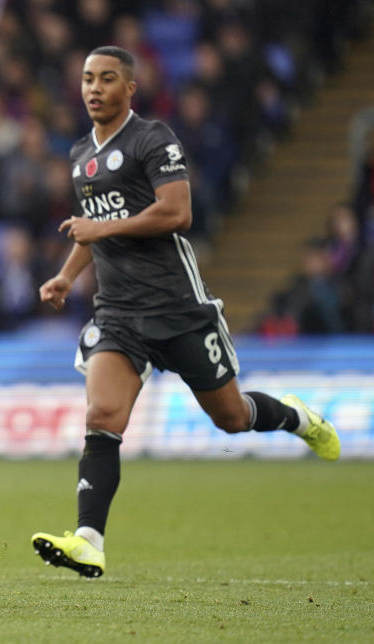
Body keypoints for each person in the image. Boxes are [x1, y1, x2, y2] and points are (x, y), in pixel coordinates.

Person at [30, 46, 340, 579]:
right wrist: (67, 273)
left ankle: (295, 416)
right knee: (102, 418)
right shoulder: (81, 153)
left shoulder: (154, 139)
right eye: (87, 79)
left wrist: (100, 229)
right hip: (119, 313)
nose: (94, 88)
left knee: (232, 417)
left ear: (131, 88)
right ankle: (89, 539)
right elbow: (91, 223)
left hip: (179, 309)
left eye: (107, 79)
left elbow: (177, 212)